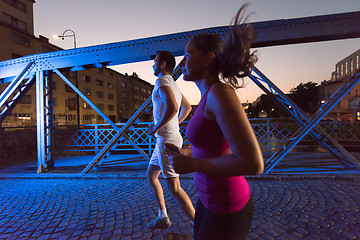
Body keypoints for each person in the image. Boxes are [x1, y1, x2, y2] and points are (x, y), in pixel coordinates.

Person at [165, 5, 264, 240]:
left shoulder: (220, 94)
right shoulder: (208, 97)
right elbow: (211, 149)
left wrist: (194, 165)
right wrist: (185, 152)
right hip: (208, 201)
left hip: (228, 207)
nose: (182, 62)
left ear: (208, 58)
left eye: (188, 55)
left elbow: (253, 163)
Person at [146, 50, 195, 230]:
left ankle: (198, 224)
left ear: (163, 64)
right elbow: (187, 107)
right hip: (167, 138)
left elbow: (174, 107)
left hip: (166, 140)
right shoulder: (173, 83)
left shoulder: (161, 81)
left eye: (155, 61)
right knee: (151, 176)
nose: (153, 65)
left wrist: (156, 127)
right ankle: (163, 217)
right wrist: (175, 123)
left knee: (175, 187)